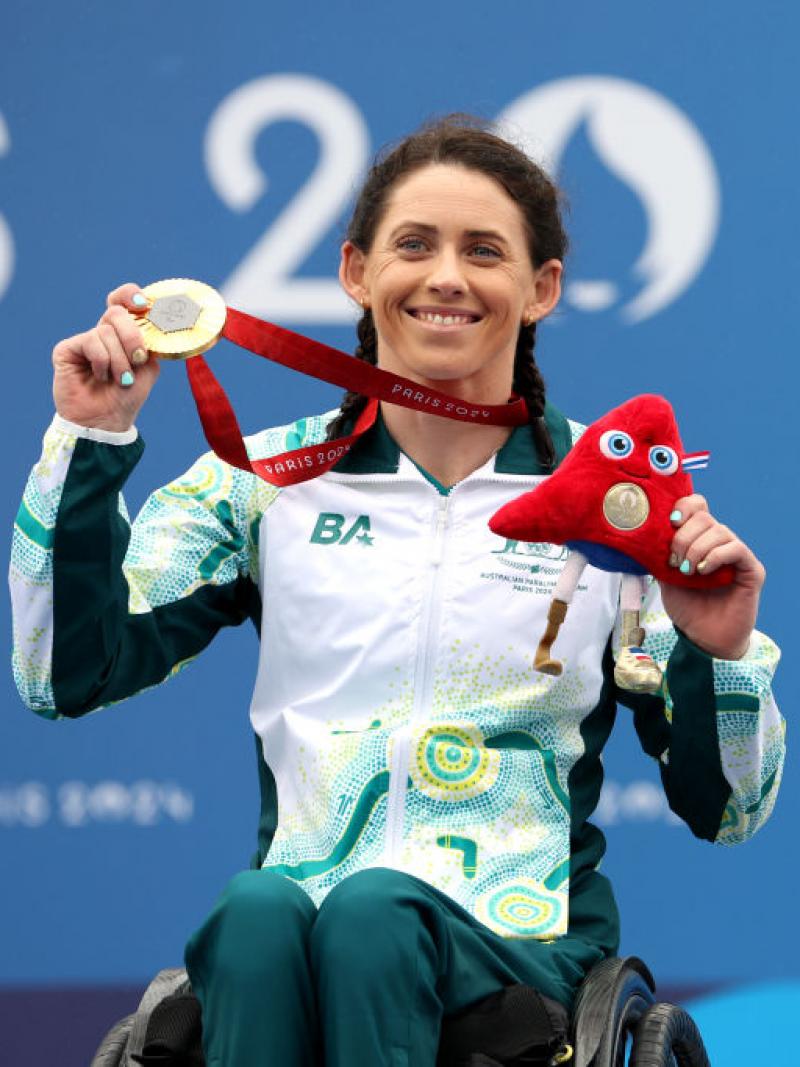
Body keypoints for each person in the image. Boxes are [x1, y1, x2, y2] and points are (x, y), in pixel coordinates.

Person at [10, 117, 784, 1067]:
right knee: (255, 907)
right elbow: (63, 672)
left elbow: (731, 808)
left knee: (374, 913)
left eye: (484, 251)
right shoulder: (260, 484)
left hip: (523, 950)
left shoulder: (617, 514)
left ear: (541, 288)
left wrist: (718, 652)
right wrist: (90, 443)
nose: (446, 276)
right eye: (414, 244)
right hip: (294, 925)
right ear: (355, 272)